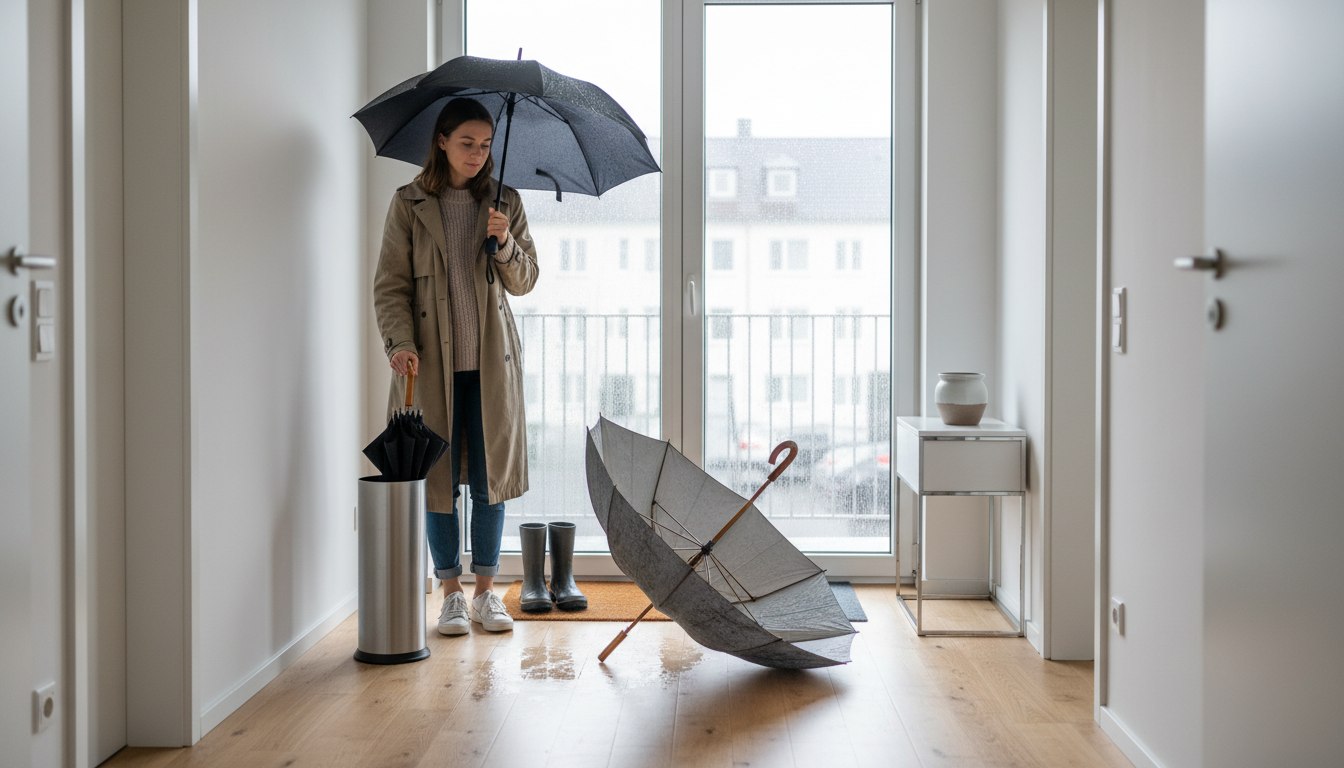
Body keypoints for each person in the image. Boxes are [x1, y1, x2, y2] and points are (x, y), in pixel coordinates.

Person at [373, 97, 538, 636]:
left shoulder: (505, 202)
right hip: (429, 366)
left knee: (490, 480)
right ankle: (449, 593)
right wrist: (397, 342)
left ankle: (487, 593)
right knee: (436, 480)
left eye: (486, 145)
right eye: (466, 142)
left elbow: (526, 280)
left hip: (491, 366)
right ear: (441, 141)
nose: (477, 154)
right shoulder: (410, 203)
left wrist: (505, 241)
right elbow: (390, 285)